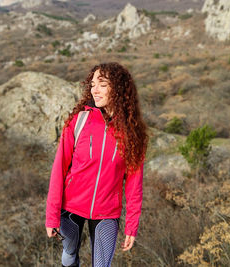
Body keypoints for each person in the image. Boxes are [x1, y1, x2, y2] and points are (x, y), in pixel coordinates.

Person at [45, 62, 148, 267]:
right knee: (70, 254)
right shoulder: (79, 120)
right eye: (92, 84)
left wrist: (131, 226)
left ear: (118, 88)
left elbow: (134, 185)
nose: (94, 89)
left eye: (102, 84)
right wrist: (51, 216)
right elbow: (59, 170)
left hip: (107, 212)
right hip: (71, 207)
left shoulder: (132, 134)